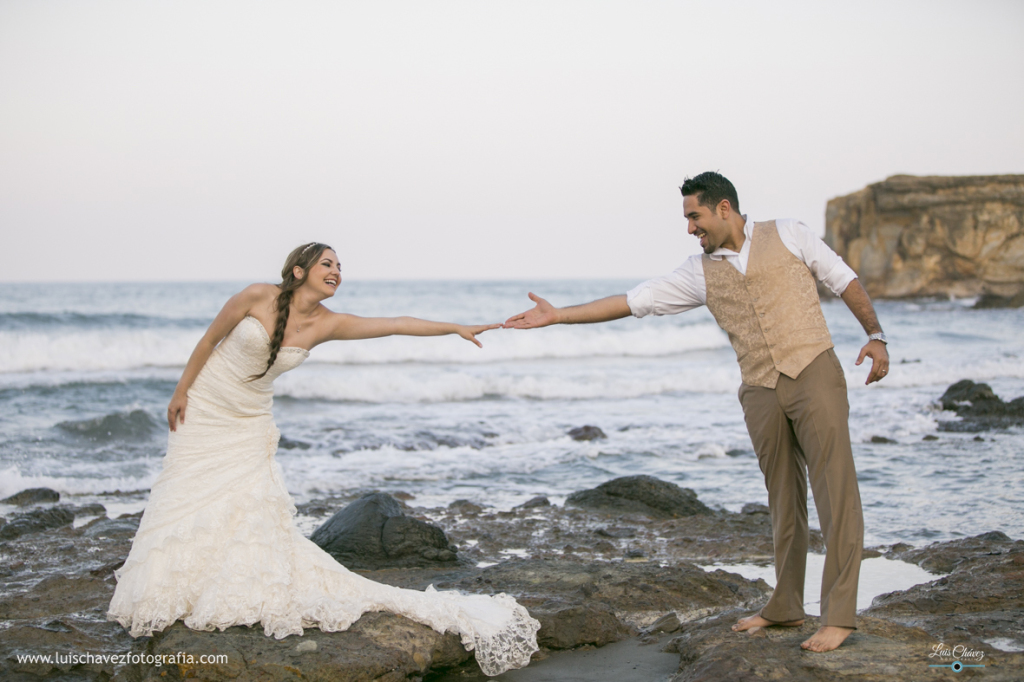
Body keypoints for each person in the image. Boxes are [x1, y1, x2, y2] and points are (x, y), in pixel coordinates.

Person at [108, 242, 540, 677]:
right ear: (298, 271)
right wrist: (181, 391)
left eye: (339, 266)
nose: (336, 271)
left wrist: (456, 328)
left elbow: (395, 324)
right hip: (207, 404)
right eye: (327, 264)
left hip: (251, 419)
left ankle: (217, 581)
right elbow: (209, 340)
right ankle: (177, 582)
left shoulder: (329, 323)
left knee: (246, 503)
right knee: (187, 491)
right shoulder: (257, 295)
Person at [504, 172, 889, 653]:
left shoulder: (790, 233)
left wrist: (875, 336)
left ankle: (839, 616)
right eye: (688, 219)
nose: (690, 228)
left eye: (695, 216)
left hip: (814, 371)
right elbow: (632, 301)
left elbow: (843, 279)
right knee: (782, 499)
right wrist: (559, 315)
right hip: (759, 388)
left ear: (723, 208)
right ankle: (786, 604)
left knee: (835, 490)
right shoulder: (697, 271)